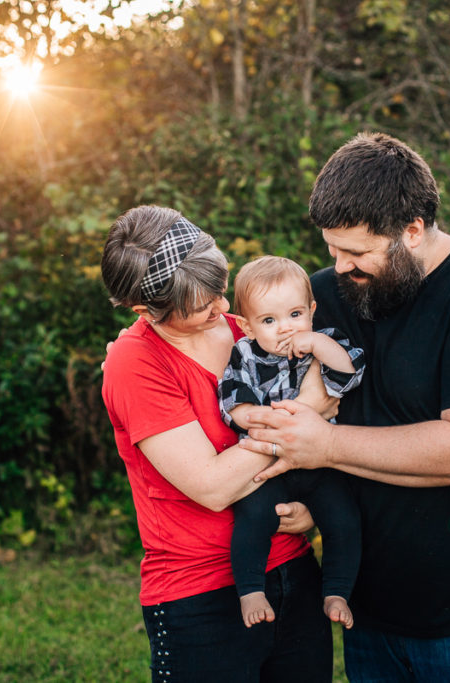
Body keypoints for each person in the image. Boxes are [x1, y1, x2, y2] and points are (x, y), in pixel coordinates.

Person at [239, 132, 450, 682]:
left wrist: (329, 447)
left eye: (358, 251)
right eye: (331, 248)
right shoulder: (322, 295)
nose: (339, 266)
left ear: (413, 230)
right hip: (368, 605)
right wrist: (135, 351)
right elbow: (238, 338)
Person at [99, 206, 335, 682]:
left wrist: (311, 506)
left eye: (219, 289)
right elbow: (211, 486)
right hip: (200, 595)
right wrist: (299, 425)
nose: (222, 307)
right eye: (201, 304)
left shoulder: (244, 327)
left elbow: (326, 391)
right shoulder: (135, 363)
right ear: (145, 310)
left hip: (292, 567)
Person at [218, 256, 364, 630]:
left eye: (296, 314)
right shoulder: (245, 354)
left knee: (344, 519)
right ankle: (250, 589)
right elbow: (234, 401)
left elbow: (348, 374)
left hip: (319, 462)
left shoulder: (326, 343)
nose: (286, 328)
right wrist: (256, 418)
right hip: (269, 466)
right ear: (246, 326)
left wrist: (316, 342)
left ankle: (336, 590)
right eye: (269, 320)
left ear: (312, 310)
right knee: (253, 517)